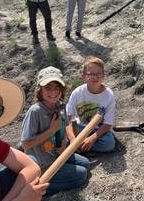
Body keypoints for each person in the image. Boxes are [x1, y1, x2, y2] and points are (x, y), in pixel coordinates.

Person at [21, 66, 90, 195]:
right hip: (42, 163)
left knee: (86, 164)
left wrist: (63, 143)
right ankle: (38, 189)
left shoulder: (61, 105)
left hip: (57, 155)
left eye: (57, 87)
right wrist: (51, 130)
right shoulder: (35, 111)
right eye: (48, 87)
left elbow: (65, 125)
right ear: (39, 90)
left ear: (62, 89)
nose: (53, 92)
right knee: (82, 175)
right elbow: (26, 144)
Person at [66, 56, 116, 153]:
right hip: (80, 128)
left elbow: (107, 124)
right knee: (64, 138)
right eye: (90, 74)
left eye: (98, 74)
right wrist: (73, 140)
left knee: (109, 144)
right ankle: (81, 146)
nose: (95, 77)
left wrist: (92, 138)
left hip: (98, 130)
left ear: (103, 76)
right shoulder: (77, 93)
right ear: (83, 77)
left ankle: (83, 147)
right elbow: (67, 119)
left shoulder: (109, 95)